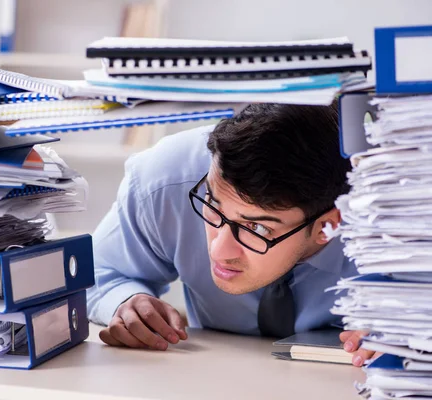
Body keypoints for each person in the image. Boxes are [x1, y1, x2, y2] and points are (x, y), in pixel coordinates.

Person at [86, 101, 376, 367]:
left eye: (257, 228)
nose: (218, 251)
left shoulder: (399, 218)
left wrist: (414, 336)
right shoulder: (167, 180)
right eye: (213, 202)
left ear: (329, 226)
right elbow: (95, 272)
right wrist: (125, 301)